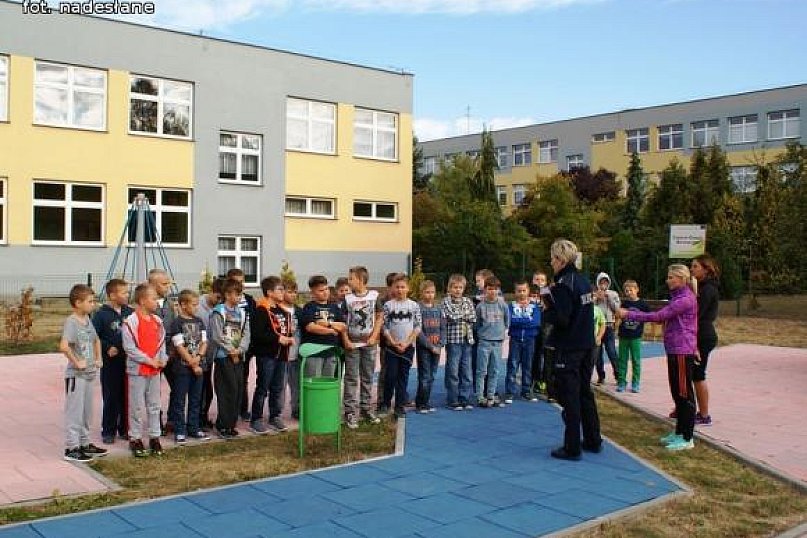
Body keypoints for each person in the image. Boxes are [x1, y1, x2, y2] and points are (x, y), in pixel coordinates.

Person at [620, 264, 698, 451]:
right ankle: (679, 432)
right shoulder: (677, 297)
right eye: (668, 277)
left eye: (671, 277)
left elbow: (659, 316)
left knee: (684, 394)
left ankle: (687, 437)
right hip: (674, 349)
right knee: (677, 393)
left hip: (682, 350)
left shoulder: (685, 300)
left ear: (682, 279)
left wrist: (629, 314)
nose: (667, 280)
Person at [544, 239, 602, 461]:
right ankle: (593, 439)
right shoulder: (583, 281)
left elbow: (562, 319)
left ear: (560, 259)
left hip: (570, 346)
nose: (551, 262)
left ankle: (572, 447)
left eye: (552, 258)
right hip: (587, 344)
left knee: (569, 397)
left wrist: (547, 310)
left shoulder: (563, 285)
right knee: (585, 392)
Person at [61, 284, 107, 462]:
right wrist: (76, 361)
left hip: (89, 374)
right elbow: (64, 346)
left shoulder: (87, 319)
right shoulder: (71, 322)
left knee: (87, 412)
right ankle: (72, 448)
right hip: (76, 376)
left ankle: (85, 443)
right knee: (75, 412)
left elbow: (96, 340)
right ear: (78, 303)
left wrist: (98, 358)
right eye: (90, 301)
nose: (93, 304)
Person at [122, 283, 167, 457]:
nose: (157, 302)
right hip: (138, 371)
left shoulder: (157, 321)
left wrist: (162, 359)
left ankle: (155, 437)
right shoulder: (130, 322)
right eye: (153, 298)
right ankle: (135, 438)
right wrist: (149, 361)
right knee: (136, 406)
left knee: (154, 405)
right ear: (142, 300)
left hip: (154, 371)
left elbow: (161, 343)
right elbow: (130, 348)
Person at [250, 276, 294, 434]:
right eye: (280, 289)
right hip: (267, 356)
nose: (283, 292)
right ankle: (256, 419)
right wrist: (278, 338)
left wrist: (289, 336)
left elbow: (284, 330)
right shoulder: (261, 310)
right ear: (269, 292)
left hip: (282, 355)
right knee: (263, 387)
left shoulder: (282, 311)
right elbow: (258, 334)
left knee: (277, 387)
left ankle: (275, 416)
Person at [209, 278, 251, 439]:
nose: (239, 297)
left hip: (238, 355)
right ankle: (222, 425)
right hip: (223, 356)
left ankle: (231, 424)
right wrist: (230, 350)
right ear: (227, 294)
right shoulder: (218, 311)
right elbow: (217, 335)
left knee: (238, 389)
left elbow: (246, 334)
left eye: (240, 294)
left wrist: (239, 350)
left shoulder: (242, 312)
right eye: (236, 294)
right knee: (227, 390)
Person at [92, 278, 133, 445]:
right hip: (111, 363)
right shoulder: (101, 315)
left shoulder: (130, 312)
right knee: (111, 396)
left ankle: (124, 428)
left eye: (127, 292)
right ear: (112, 295)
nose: (127, 295)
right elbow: (94, 337)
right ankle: (108, 431)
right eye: (124, 293)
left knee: (126, 396)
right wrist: (107, 347)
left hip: (128, 361)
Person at [342, 266, 383, 428]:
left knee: (367, 376)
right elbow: (342, 322)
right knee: (351, 377)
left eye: (351, 278)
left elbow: (379, 317)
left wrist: (374, 336)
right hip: (352, 344)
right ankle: (350, 412)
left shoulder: (374, 296)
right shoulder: (347, 299)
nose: (349, 281)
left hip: (369, 344)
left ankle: (366, 408)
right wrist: (346, 340)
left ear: (360, 280)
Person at [166, 289, 209, 443]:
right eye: (194, 304)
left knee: (196, 399)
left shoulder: (199, 321)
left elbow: (204, 341)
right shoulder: (177, 323)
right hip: (182, 368)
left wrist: (199, 357)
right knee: (179, 399)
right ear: (183, 305)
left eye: (197, 304)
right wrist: (192, 362)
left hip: (199, 366)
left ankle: (194, 427)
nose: (196, 307)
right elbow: (179, 346)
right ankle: (179, 430)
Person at [381, 274, 422, 418]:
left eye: (403, 287)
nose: (400, 290)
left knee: (403, 377)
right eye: (397, 287)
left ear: (408, 288)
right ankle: (385, 403)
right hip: (392, 348)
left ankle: (399, 406)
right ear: (393, 288)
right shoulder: (388, 305)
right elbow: (384, 326)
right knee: (390, 376)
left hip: (407, 348)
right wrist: (392, 342)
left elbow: (417, 327)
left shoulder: (414, 305)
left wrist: (407, 343)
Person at [691, 254, 720, 426]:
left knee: (698, 375)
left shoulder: (708, 289)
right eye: (691, 266)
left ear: (706, 269)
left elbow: (696, 313)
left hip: (703, 336)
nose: (692, 269)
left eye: (695, 266)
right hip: (697, 334)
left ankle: (704, 414)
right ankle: (686, 408)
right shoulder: (700, 287)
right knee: (690, 374)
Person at [300, 275, 347, 378]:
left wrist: (328, 324)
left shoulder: (334, 307)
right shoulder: (309, 307)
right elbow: (310, 327)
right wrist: (331, 331)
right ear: (313, 292)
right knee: (314, 382)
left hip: (331, 352)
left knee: (328, 382)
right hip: (314, 353)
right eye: (321, 290)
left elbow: (343, 326)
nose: (325, 292)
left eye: (326, 289)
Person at [148, 269, 177, 435]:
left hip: (171, 353)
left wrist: (172, 350)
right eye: (164, 284)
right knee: (154, 391)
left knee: (178, 386)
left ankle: (172, 419)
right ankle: (156, 423)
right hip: (154, 355)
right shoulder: (147, 305)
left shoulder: (170, 304)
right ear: (152, 285)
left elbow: (174, 327)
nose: (168, 287)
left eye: (168, 283)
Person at [226, 268, 257, 423]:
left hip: (245, 346)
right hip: (229, 347)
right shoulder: (224, 304)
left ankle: (242, 409)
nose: (240, 284)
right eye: (236, 281)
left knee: (243, 379)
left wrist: (245, 346)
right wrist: (232, 348)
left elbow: (253, 322)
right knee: (229, 381)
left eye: (242, 281)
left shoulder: (250, 300)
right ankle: (229, 411)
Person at [442, 273, 476, 411]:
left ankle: (465, 398)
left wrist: (459, 316)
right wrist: (463, 316)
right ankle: (453, 399)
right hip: (453, 341)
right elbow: (450, 317)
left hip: (467, 340)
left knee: (466, 371)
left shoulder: (468, 301)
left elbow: (473, 317)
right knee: (453, 371)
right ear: (449, 288)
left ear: (464, 288)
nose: (457, 290)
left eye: (460, 287)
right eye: (455, 287)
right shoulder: (446, 302)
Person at [475, 276, 510, 408]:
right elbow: (477, 324)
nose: (492, 291)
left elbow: (507, 321)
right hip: (484, 342)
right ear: (485, 289)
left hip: (497, 343)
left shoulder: (503, 305)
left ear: (498, 290)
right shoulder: (480, 306)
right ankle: (480, 396)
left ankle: (491, 395)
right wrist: (483, 334)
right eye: (490, 289)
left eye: (495, 289)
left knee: (494, 370)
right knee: (481, 371)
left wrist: (501, 333)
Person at [506, 279, 541, 404]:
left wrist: (520, 320)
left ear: (528, 291)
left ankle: (526, 390)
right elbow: (510, 321)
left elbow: (536, 322)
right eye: (519, 291)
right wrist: (526, 320)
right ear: (515, 292)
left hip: (529, 339)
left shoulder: (534, 306)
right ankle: (510, 391)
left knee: (528, 365)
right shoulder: (511, 306)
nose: (521, 293)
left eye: (524, 290)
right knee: (513, 365)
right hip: (515, 339)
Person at [196, 277, 223, 430]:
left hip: (211, 355)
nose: (219, 301)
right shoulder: (198, 306)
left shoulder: (220, 308)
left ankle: (203, 417)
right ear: (211, 291)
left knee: (207, 390)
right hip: (198, 356)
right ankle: (198, 420)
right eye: (217, 297)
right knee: (201, 390)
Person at [415, 280, 445, 414]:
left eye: (432, 292)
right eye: (427, 292)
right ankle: (421, 403)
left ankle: (425, 402)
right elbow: (418, 331)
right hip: (424, 349)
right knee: (424, 376)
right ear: (421, 293)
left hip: (437, 348)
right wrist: (430, 346)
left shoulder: (438, 308)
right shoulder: (418, 308)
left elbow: (443, 327)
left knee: (432, 376)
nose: (430, 295)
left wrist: (440, 343)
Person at [617, 280, 650, 393]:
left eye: (631, 290)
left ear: (637, 290)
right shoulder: (625, 304)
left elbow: (648, 316)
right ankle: (621, 382)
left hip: (636, 336)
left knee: (636, 360)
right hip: (623, 336)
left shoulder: (643, 304)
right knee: (622, 360)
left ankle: (635, 383)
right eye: (626, 291)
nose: (629, 292)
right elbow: (620, 316)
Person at [593, 272, 620, 385]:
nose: (603, 285)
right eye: (601, 282)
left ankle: (618, 375)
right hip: (597, 326)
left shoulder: (613, 294)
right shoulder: (594, 293)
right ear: (598, 283)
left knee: (611, 351)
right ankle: (601, 376)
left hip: (609, 326)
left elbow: (617, 309)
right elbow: (589, 307)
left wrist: (609, 298)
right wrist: (596, 298)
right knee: (597, 354)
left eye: (605, 282)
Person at [280, 280, 302, 420]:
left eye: (295, 292)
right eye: (290, 292)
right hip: (281, 356)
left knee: (297, 385)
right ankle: (277, 413)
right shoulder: (277, 310)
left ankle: (297, 409)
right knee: (279, 386)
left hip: (296, 355)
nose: (293, 295)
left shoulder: (299, 311)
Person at [530, 272, 549, 396]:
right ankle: (533, 379)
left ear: (545, 282)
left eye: (542, 280)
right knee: (533, 355)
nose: (539, 282)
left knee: (544, 355)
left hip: (545, 329)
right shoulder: (529, 294)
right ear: (533, 281)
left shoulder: (548, 294)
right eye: (537, 279)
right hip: (532, 330)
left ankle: (544, 380)